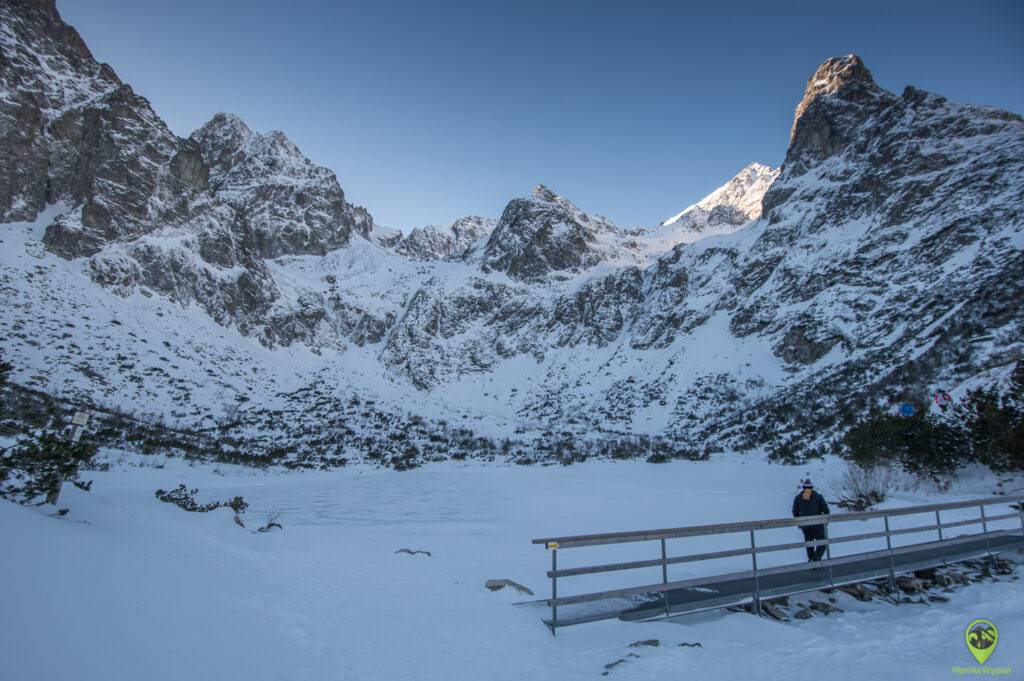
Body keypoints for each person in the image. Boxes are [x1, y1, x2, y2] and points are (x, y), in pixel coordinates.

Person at [792, 479, 830, 562]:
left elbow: (795, 511)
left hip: (805, 525)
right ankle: (816, 558)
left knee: (809, 544)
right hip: (818, 524)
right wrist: (825, 522)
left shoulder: (798, 497)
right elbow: (826, 510)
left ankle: (811, 560)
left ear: (803, 487)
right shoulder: (818, 496)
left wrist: (800, 523)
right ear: (812, 487)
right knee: (822, 542)